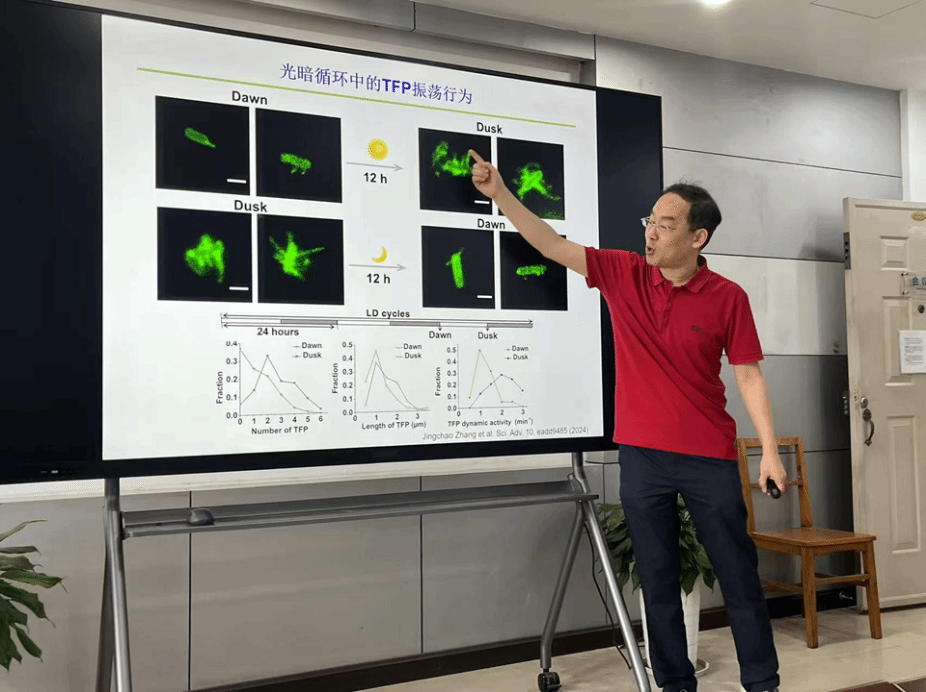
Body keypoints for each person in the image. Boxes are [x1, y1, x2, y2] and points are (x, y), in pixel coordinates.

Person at [469, 150, 784, 692]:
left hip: (708, 456)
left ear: (698, 237)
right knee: (657, 581)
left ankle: (762, 683)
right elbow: (550, 244)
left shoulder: (728, 298)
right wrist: (500, 194)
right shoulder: (623, 274)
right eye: (649, 221)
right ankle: (675, 684)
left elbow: (749, 374)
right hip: (641, 456)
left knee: (738, 576)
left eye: (666, 225)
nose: (651, 234)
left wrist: (770, 452)